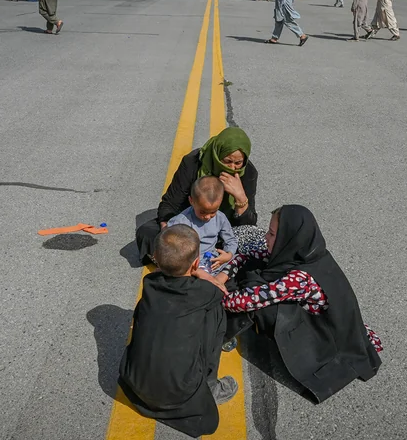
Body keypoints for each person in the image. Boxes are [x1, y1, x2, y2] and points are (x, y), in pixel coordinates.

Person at [214, 206, 382, 403]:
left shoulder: (299, 278)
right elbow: (248, 257)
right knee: (254, 271)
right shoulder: (307, 253)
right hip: (338, 322)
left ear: (288, 237)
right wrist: (224, 274)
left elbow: (244, 302)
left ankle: (223, 334)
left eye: (272, 233)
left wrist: (214, 295)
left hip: (326, 336)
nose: (265, 237)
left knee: (262, 306)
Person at [119, 225, 238, 437]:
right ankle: (210, 385)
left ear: (155, 257)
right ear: (195, 262)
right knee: (215, 313)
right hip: (179, 393)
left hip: (135, 383)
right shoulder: (203, 292)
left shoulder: (149, 284)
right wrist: (203, 274)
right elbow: (220, 291)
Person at [135, 127, 258, 265]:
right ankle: (184, 261)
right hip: (188, 226)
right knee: (147, 233)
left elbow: (249, 224)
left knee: (255, 240)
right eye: (227, 161)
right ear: (216, 155)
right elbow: (169, 204)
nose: (232, 168)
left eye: (238, 163)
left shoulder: (248, 173)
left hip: (222, 230)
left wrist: (240, 197)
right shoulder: (193, 162)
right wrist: (169, 236)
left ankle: (182, 262)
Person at [167, 176, 238, 272]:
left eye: (213, 212)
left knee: (240, 260)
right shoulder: (181, 222)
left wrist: (228, 255)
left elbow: (230, 240)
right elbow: (170, 247)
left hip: (214, 262)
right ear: (192, 201)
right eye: (202, 212)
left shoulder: (220, 218)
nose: (208, 217)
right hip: (190, 266)